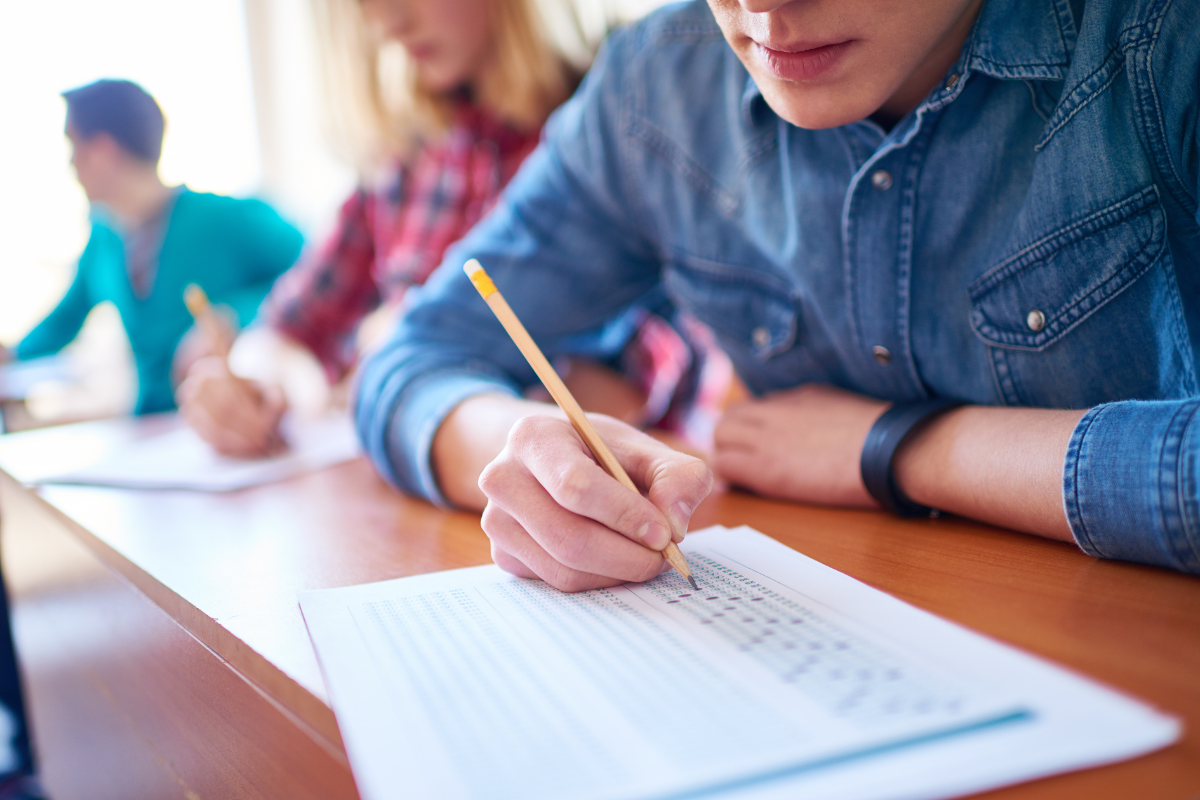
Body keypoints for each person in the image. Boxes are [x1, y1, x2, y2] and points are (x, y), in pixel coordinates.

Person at [354, 0, 1200, 587]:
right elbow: (411, 360)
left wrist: (902, 452)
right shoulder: (657, 87)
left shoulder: (1163, 41)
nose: (763, 10)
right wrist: (531, 456)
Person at [177, 0, 728, 458]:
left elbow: (654, 360)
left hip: (633, 484)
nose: (386, 20)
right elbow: (293, 327)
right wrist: (263, 388)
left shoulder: (619, 120)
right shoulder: (403, 153)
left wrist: (409, 365)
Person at [0, 80, 303, 416]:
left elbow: (315, 273)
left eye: (74, 147)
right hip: (148, 427)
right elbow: (64, 321)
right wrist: (11, 356)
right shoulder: (104, 240)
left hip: (230, 418)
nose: (71, 165)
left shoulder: (225, 219)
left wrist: (234, 314)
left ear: (103, 151)